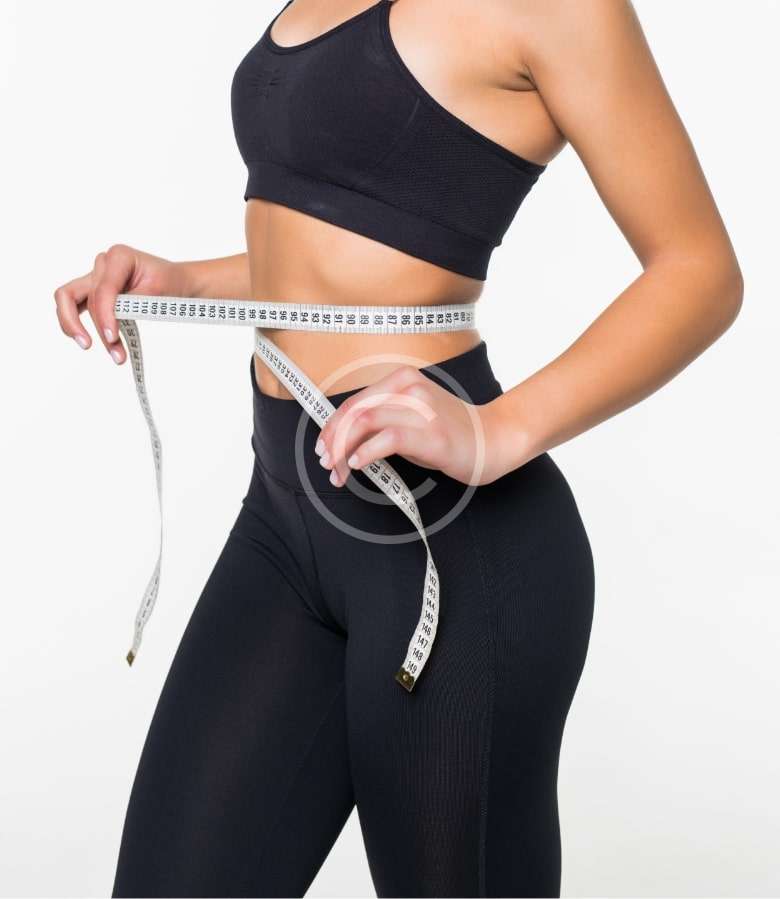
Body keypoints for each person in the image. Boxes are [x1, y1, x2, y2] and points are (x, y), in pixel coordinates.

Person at [53, 1, 743, 896]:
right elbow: (355, 237)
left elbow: (700, 269)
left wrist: (497, 430)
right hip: (284, 518)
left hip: (451, 545)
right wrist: (182, 280)